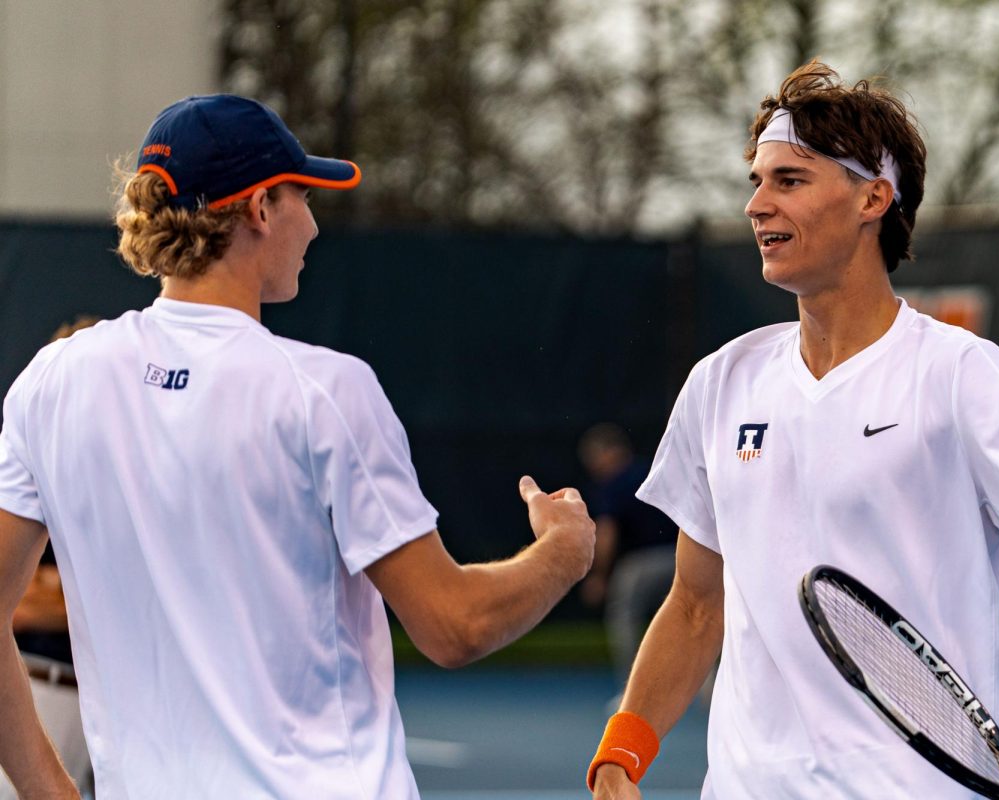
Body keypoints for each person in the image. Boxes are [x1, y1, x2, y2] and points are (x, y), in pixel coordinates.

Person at [0, 94, 595, 799]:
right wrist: (564, 551)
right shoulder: (324, 391)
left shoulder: (55, 380)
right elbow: (454, 626)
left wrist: (51, 793)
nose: (312, 225)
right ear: (258, 209)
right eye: (302, 198)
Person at [587, 62, 999, 800]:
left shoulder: (959, 374)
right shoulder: (720, 384)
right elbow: (696, 606)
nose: (757, 204)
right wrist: (621, 754)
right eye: (756, 181)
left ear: (872, 198)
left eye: (789, 180)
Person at [0, 318, 100, 800]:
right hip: (33, 695)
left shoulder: (119, 476)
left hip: (103, 708)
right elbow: (11, 605)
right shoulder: (25, 460)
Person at [577, 423, 677, 692]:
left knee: (623, 616)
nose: (594, 466)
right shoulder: (654, 470)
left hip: (643, 563)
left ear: (610, 452)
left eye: (595, 458)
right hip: (682, 558)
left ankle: (633, 691)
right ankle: (709, 689)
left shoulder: (614, 483)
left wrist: (598, 576)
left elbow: (607, 533)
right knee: (695, 614)